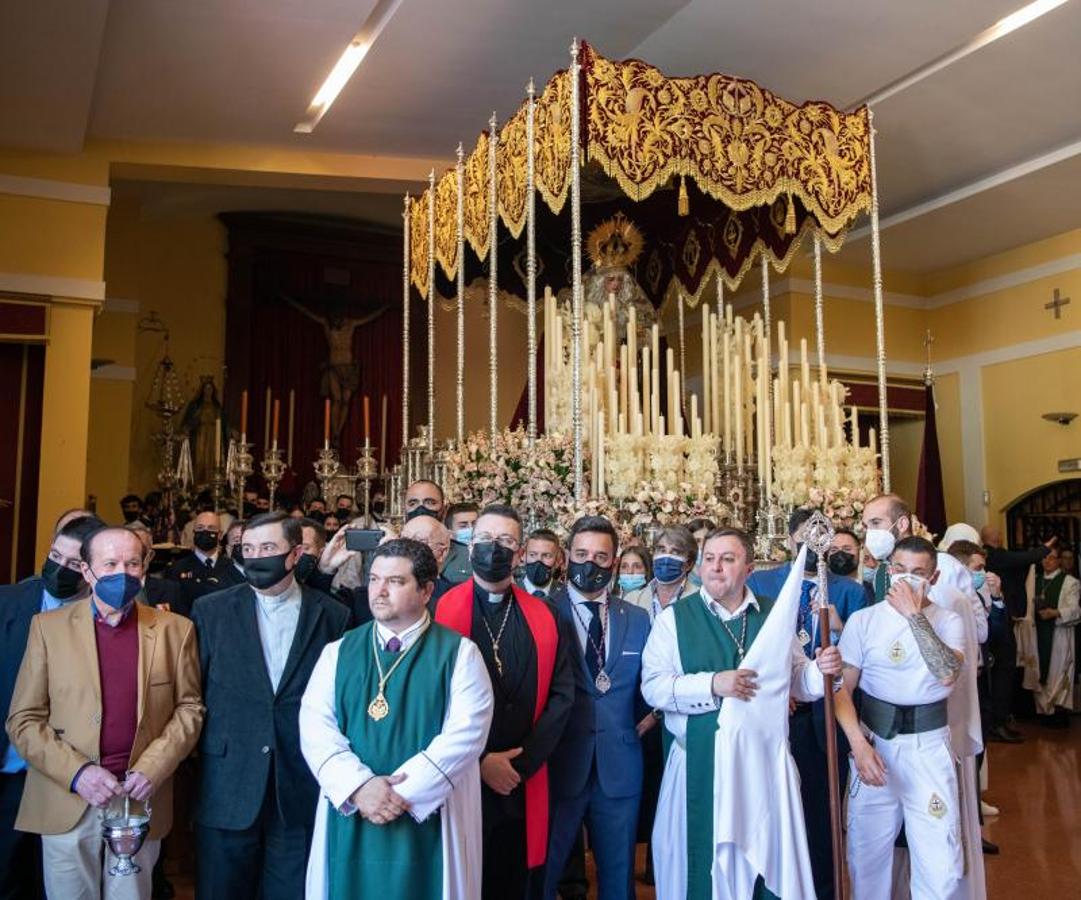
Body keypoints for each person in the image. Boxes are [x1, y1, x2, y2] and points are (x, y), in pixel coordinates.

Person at [6, 526, 204, 900]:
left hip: (137, 798)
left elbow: (189, 708)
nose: (122, 574)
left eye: (132, 563)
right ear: (86, 570)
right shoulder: (48, 629)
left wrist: (154, 767)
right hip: (68, 797)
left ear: (145, 567)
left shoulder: (175, 630)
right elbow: (24, 719)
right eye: (110, 563)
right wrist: (78, 773)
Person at [641, 527, 840, 900]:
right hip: (699, 765)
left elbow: (797, 681)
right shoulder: (675, 619)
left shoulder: (772, 616)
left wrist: (822, 670)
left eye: (728, 559)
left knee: (766, 863)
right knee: (703, 868)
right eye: (710, 559)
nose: (716, 568)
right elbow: (653, 686)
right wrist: (713, 684)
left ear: (749, 568)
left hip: (762, 766)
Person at [299, 538, 494, 899]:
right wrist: (359, 787)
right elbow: (315, 728)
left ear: (426, 590)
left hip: (430, 811)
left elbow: (467, 735)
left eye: (395, 581)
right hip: (353, 808)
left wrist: (397, 796)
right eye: (374, 579)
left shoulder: (460, 654)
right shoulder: (338, 652)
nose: (380, 591)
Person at [191, 512, 350, 900]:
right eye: (248, 549)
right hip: (228, 781)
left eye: (267, 548)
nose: (255, 557)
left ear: (295, 554)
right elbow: (192, 693)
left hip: (299, 783)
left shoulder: (332, 615)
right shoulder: (209, 611)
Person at [435, 503, 574, 900]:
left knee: (515, 880)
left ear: (519, 554)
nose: (493, 548)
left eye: (505, 541)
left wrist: (521, 764)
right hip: (461, 776)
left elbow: (562, 696)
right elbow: (430, 699)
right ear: (470, 544)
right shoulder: (439, 609)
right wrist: (480, 763)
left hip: (522, 777)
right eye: (484, 539)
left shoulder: (546, 615)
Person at [862, 499, 987, 896]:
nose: (870, 530)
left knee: (939, 849)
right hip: (880, 734)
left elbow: (954, 660)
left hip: (935, 725)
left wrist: (916, 615)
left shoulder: (946, 573)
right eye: (866, 523)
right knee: (872, 851)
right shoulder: (877, 574)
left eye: (876, 522)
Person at [836, 536, 968, 899]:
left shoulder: (949, 621)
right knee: (867, 855)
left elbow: (946, 674)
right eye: (899, 570)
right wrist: (859, 746)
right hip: (875, 745)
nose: (906, 579)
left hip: (927, 747)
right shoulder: (863, 622)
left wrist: (914, 615)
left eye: (918, 573)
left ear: (935, 577)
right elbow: (841, 691)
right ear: (888, 569)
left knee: (939, 857)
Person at [745, 508, 866, 898]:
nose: (814, 545)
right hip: (777, 712)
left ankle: (823, 888)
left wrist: (839, 628)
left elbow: (861, 656)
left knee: (821, 814)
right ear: (792, 539)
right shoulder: (764, 582)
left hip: (826, 713)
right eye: (805, 536)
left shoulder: (849, 591)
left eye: (822, 537)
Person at [544, 517, 651, 900]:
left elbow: (650, 685)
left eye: (601, 556)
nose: (590, 564)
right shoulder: (543, 611)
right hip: (559, 762)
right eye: (581, 554)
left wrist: (642, 722)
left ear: (615, 562)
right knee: (544, 872)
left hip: (619, 765)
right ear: (566, 558)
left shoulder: (637, 618)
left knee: (619, 877)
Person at [0, 513, 103, 900]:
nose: (60, 568)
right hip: (10, 772)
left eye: (74, 564)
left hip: (69, 780)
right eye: (55, 555)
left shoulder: (103, 616)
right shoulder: (6, 602)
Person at [1019, 545, 1080, 727]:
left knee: (1057, 672)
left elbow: (1075, 609)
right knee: (1038, 671)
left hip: (1058, 634)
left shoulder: (1070, 582)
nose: (1047, 561)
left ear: (1059, 560)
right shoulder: (1034, 581)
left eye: (1052, 558)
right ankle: (1044, 713)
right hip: (1037, 634)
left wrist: (1056, 613)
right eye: (1044, 558)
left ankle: (1058, 713)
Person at [164, 510, 232, 616]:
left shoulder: (231, 567)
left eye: (211, 528)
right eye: (200, 528)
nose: (205, 532)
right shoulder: (176, 570)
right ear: (193, 532)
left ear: (220, 535)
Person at [622, 526, 697, 622]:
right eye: (662, 550)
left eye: (675, 552)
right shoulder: (632, 600)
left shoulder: (701, 601)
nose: (666, 557)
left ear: (689, 564)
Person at [125, 521, 183, 610]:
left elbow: (181, 623)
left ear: (151, 555)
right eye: (131, 547)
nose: (137, 554)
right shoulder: (107, 591)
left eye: (143, 548)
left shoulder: (170, 590)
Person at [517, 528, 565, 600]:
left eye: (547, 555)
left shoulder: (565, 594)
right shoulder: (511, 591)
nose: (538, 560)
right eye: (532, 554)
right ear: (523, 556)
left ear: (557, 561)